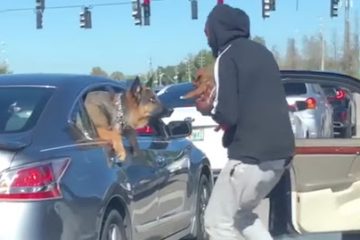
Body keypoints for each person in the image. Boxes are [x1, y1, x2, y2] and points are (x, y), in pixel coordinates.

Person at [195, 4, 295, 240]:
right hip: (281, 156)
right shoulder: (263, 52)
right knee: (241, 215)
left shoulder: (227, 55)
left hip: (250, 156)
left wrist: (208, 109)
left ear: (218, 29)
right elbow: (254, 102)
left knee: (216, 222)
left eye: (207, 28)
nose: (205, 33)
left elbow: (227, 112)